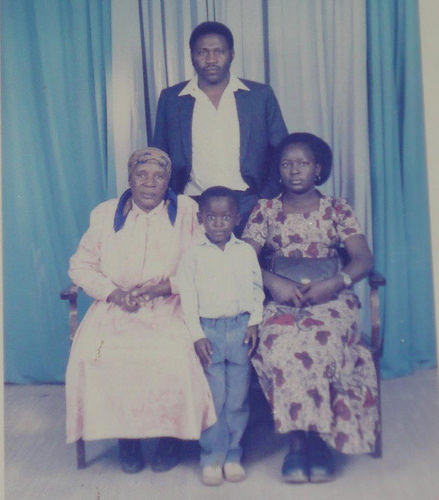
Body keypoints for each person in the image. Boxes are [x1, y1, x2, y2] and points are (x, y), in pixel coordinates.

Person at [65, 147, 216, 474]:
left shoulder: (188, 211)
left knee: (173, 356)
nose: (150, 183)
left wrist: (167, 287)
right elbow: (80, 267)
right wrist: (114, 293)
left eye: (159, 176)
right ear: (129, 178)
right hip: (114, 310)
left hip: (171, 306)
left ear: (168, 181)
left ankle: (169, 439)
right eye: (141, 175)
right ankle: (127, 440)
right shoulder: (105, 213)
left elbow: (205, 263)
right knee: (98, 354)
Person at [242, 133, 379, 483]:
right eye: (287, 164)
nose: (294, 170)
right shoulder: (265, 210)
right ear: (279, 169)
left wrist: (333, 285)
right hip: (279, 299)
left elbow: (363, 260)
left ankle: (320, 442)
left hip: (330, 298)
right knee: (282, 345)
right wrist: (274, 283)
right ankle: (297, 443)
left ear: (318, 169)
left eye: (303, 163)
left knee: (320, 344)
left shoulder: (337, 209)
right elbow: (241, 260)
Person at [152, 21, 288, 235]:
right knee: (196, 267)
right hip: (191, 204)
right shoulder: (172, 99)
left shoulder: (259, 96)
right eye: (203, 52)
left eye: (219, 51)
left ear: (232, 54)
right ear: (192, 56)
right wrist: (171, 201)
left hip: (248, 203)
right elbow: (159, 155)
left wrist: (265, 198)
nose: (211, 59)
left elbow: (281, 150)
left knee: (246, 267)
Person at [177, 186, 264, 486]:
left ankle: (233, 456)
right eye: (211, 217)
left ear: (237, 219)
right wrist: (198, 334)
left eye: (225, 217)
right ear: (200, 218)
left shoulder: (245, 253)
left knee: (237, 398)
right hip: (209, 331)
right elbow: (187, 299)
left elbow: (256, 289)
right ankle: (211, 458)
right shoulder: (192, 256)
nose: (218, 223)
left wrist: (254, 322)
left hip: (240, 329)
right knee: (214, 398)